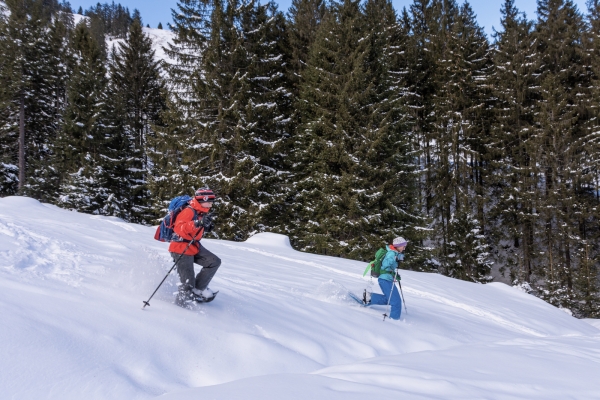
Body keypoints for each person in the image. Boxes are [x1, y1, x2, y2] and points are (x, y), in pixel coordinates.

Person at [170, 187, 221, 307]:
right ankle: (180, 307)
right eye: (210, 201)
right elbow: (179, 229)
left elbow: (195, 229)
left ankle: (198, 291)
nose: (211, 204)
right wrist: (198, 223)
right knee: (188, 284)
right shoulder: (189, 211)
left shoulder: (200, 212)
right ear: (203, 199)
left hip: (194, 246)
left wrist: (205, 227)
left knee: (214, 262)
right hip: (181, 248)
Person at [366, 237, 406, 320]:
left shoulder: (394, 253)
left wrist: (394, 274)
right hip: (385, 279)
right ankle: (394, 321)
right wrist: (394, 259)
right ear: (398, 246)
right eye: (403, 246)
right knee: (396, 302)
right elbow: (385, 265)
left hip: (387, 279)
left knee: (390, 299)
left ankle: (369, 297)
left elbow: (389, 269)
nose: (404, 248)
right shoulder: (392, 254)